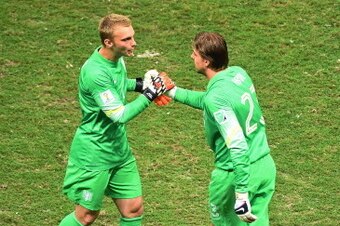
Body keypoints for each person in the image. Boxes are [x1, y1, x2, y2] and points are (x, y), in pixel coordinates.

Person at [59, 13, 172, 226]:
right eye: (126, 40)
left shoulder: (115, 60)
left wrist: (139, 84)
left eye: (132, 37)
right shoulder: (95, 72)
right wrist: (149, 93)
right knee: (86, 216)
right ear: (108, 42)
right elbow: (119, 115)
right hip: (94, 154)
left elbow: (116, 82)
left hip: (119, 151)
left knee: (133, 208)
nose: (134, 43)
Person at [165, 32, 276, 225]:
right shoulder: (238, 74)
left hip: (234, 174)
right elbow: (210, 101)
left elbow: (238, 146)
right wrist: (173, 91)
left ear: (206, 61)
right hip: (264, 166)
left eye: (195, 53)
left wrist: (241, 193)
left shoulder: (216, 98)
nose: (192, 57)